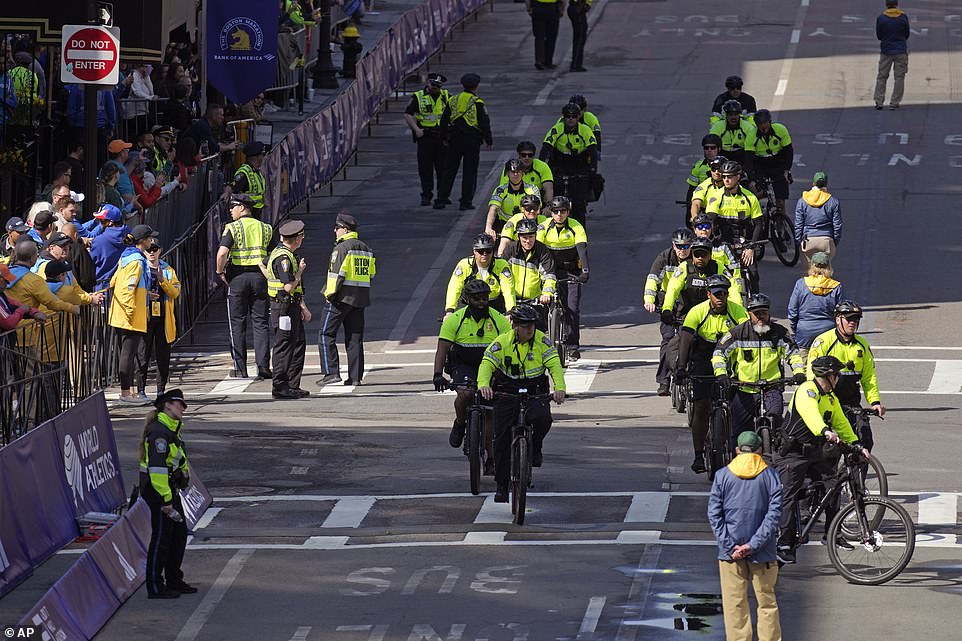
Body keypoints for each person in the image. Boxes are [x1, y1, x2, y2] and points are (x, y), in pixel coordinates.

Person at [774, 355, 868, 564]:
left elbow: (842, 423)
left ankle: (831, 534)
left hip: (814, 453)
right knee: (788, 495)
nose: (839, 379)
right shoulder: (807, 390)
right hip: (793, 453)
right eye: (837, 375)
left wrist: (857, 445)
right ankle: (784, 543)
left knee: (833, 485)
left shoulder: (830, 398)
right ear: (829, 376)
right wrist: (824, 430)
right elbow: (810, 415)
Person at [478, 303, 566, 501]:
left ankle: (535, 447)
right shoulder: (501, 342)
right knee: (500, 438)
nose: (530, 329)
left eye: (532, 325)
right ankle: (501, 485)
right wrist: (484, 385)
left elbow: (554, 364)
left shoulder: (542, 341)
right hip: (507, 391)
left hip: (535, 389)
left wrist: (560, 388)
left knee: (543, 419)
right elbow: (487, 364)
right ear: (515, 326)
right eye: (525, 325)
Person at [708, 430, 782, 641]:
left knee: (735, 605)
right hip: (764, 553)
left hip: (730, 554)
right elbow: (773, 516)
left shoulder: (723, 475)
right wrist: (753, 545)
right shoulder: (770, 476)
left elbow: (714, 514)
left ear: (737, 450)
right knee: (767, 603)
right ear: (759, 450)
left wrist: (730, 545)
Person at [674, 274, 749, 473]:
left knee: (738, 406)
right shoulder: (696, 312)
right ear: (708, 295)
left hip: (729, 358)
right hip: (703, 357)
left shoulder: (739, 312)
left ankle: (736, 450)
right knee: (701, 406)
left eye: (724, 293)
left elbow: (748, 339)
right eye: (716, 294)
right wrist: (681, 368)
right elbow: (685, 341)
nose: (720, 297)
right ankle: (699, 454)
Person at [434, 279, 511, 462]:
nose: (482, 302)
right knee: (466, 394)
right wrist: (437, 375)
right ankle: (460, 423)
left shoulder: (498, 319)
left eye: (485, 298)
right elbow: (442, 349)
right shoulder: (455, 320)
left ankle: (491, 458)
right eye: (477, 299)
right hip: (464, 365)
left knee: (490, 408)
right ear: (468, 299)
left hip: (491, 365)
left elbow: (511, 346)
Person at [713, 293, 805, 440]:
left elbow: (794, 354)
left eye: (764, 313)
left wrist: (799, 371)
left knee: (776, 427)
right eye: (756, 314)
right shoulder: (737, 333)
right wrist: (721, 374)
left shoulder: (780, 333)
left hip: (771, 388)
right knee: (740, 433)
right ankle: (739, 460)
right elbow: (719, 354)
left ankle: (773, 458)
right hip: (744, 388)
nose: (760, 317)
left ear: (769, 313)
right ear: (750, 314)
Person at [139, 389, 197, 599]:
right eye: (179, 404)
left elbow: (176, 461)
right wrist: (166, 501)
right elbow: (157, 471)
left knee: (179, 535)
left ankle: (174, 579)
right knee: (162, 538)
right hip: (159, 493)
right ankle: (155, 586)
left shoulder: (171, 428)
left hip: (169, 489)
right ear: (167, 405)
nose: (183, 408)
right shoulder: (159, 434)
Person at [806, 300, 886, 451]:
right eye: (849, 318)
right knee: (825, 447)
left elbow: (869, 376)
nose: (853, 323)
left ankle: (854, 474)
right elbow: (812, 374)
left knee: (864, 441)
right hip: (827, 401)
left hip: (851, 402)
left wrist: (875, 402)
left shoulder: (862, 345)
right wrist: (815, 399)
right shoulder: (823, 342)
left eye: (856, 319)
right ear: (837, 320)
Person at [215, 194, 274, 380]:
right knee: (261, 323)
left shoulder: (233, 228)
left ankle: (240, 368)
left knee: (237, 324)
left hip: (238, 278)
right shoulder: (266, 228)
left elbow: (222, 253)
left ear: (241, 207)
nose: (230, 211)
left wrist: (220, 272)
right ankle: (263, 367)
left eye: (232, 207)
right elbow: (273, 255)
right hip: (260, 278)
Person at [318, 214, 376, 386]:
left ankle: (331, 372)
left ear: (344, 229)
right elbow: (371, 274)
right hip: (360, 299)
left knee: (325, 333)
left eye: (337, 228)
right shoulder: (366, 249)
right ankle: (355, 377)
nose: (335, 231)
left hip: (340, 298)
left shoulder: (342, 248)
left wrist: (329, 295)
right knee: (354, 338)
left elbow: (336, 275)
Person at [109, 225, 163, 405]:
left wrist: (145, 295)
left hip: (121, 312)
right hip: (129, 315)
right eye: (150, 239)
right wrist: (132, 310)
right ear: (143, 241)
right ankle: (125, 394)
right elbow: (128, 288)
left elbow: (114, 281)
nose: (152, 242)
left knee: (126, 353)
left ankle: (128, 393)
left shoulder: (126, 257)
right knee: (128, 354)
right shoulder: (137, 262)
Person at [644, 228, 693, 395]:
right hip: (668, 304)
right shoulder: (664, 258)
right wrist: (649, 300)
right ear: (673, 245)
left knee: (689, 339)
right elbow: (652, 279)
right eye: (679, 246)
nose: (683, 250)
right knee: (667, 339)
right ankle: (663, 380)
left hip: (688, 304)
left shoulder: (696, 258)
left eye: (686, 246)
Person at [540, 196, 589, 360]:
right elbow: (537, 251)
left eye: (562, 211)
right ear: (551, 213)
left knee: (572, 308)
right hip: (551, 271)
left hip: (572, 272)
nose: (559, 214)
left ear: (568, 212)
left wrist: (585, 271)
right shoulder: (544, 227)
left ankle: (572, 346)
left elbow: (582, 250)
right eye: (555, 211)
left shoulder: (576, 227)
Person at [267, 220, 312, 399]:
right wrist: (300, 271)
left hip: (291, 305)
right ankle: (280, 387)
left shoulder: (284, 253)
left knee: (298, 343)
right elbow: (288, 286)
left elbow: (263, 264)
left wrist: (302, 306)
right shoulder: (283, 258)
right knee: (284, 347)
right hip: (283, 307)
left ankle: (292, 385)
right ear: (297, 239)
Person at [435, 73, 493, 211]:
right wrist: (488, 139)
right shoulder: (477, 102)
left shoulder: (453, 100)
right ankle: (465, 202)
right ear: (476, 86)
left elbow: (444, 121)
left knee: (449, 170)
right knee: (470, 171)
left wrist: (443, 138)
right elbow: (484, 122)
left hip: (454, 139)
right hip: (472, 140)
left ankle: (441, 200)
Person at [706, 161, 763, 291]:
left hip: (745, 242)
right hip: (724, 241)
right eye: (724, 176)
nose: (726, 179)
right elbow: (709, 221)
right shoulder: (716, 197)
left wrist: (751, 247)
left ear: (738, 177)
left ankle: (753, 305)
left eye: (730, 176)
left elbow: (759, 224)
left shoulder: (750, 198)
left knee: (753, 274)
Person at [540, 102, 598, 224]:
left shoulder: (585, 130)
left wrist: (593, 169)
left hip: (579, 166)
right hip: (561, 165)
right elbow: (546, 147)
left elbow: (593, 150)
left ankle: (580, 230)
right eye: (568, 116)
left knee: (579, 204)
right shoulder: (557, 129)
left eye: (574, 116)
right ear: (563, 117)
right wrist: (541, 166)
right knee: (557, 199)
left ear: (578, 117)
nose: (571, 119)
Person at [137, 240, 180, 400]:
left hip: (163, 317)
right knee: (143, 354)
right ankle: (140, 389)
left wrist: (162, 280)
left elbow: (175, 292)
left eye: (155, 249)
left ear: (160, 250)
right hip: (145, 317)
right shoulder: (140, 267)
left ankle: (161, 390)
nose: (152, 252)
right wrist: (146, 295)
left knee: (163, 355)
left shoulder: (168, 269)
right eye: (149, 249)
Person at [661, 237, 743, 321]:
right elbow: (673, 289)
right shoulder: (684, 267)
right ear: (692, 255)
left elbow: (733, 289)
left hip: (712, 316)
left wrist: (738, 311)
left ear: (710, 255)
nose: (700, 258)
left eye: (704, 254)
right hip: (687, 316)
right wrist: (667, 309)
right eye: (697, 254)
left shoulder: (718, 267)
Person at [403, 73, 450, 206]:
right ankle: (426, 195)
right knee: (425, 168)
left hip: (442, 137)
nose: (435, 87)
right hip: (426, 137)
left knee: (443, 168)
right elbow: (407, 114)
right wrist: (416, 130)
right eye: (433, 84)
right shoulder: (419, 97)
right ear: (428, 83)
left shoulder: (446, 96)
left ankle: (442, 195)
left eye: (438, 86)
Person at [445, 233, 516, 316]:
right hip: (469, 304)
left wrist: (510, 312)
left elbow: (508, 289)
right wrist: (450, 310)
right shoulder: (464, 264)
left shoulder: (501, 265)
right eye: (481, 251)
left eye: (488, 251)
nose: (484, 254)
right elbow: (454, 287)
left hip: (493, 305)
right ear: (474, 251)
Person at [787, 252, 844, 353]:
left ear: (812, 266)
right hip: (828, 333)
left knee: (803, 367)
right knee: (826, 366)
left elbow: (792, 310)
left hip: (805, 333)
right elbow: (840, 313)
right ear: (828, 266)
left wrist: (797, 329)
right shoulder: (836, 287)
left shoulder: (801, 284)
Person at [500, 218, 556, 318]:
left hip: (534, 302)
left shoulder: (542, 251)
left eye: (531, 237)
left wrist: (547, 293)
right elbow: (501, 273)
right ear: (518, 237)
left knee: (538, 331)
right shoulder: (510, 249)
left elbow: (549, 275)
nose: (528, 241)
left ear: (536, 236)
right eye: (524, 238)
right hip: (512, 300)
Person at [745, 110, 793, 217]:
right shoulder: (751, 136)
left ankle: (781, 230)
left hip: (778, 164)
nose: (763, 126)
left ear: (770, 122)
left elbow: (789, 152)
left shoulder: (780, 130)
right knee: (757, 193)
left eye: (765, 123)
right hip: (761, 165)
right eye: (760, 124)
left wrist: (786, 170)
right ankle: (756, 218)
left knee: (780, 203)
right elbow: (748, 160)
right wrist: (752, 180)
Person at [794, 171, 842, 262]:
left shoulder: (802, 201)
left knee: (810, 272)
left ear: (813, 183)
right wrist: (834, 242)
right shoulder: (833, 201)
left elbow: (798, 224)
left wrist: (798, 242)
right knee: (825, 270)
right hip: (827, 240)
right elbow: (837, 226)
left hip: (808, 240)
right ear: (826, 184)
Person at [485, 159, 540, 239]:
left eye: (518, 172)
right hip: (504, 226)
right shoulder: (500, 190)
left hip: (527, 226)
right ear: (507, 174)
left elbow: (537, 209)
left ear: (523, 174)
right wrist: (488, 228)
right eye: (512, 172)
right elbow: (493, 209)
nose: (516, 175)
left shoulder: (533, 189)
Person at [874, 0, 910, 110]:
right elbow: (906, 34)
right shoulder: (903, 17)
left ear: (886, 5)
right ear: (896, 4)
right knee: (899, 77)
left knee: (882, 76)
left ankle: (879, 101)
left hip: (886, 51)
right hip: (900, 50)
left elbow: (879, 35)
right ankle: (894, 102)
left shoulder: (881, 18)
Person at [90, 204, 132, 290]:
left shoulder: (99, 241)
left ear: (110, 222)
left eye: (102, 220)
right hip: (124, 288)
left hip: (103, 289)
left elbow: (90, 263)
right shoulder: (130, 235)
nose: (100, 223)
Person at [224, 142, 267, 219]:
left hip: (256, 212)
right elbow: (232, 186)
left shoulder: (256, 171)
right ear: (257, 157)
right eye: (263, 155)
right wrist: (227, 193)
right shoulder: (244, 172)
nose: (265, 158)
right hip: (246, 213)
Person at [708, 101, 757, 167]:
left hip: (741, 155)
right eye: (730, 114)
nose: (733, 117)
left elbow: (753, 144)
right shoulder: (718, 126)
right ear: (726, 115)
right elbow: (712, 142)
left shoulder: (747, 126)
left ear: (739, 114)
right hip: (723, 154)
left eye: (736, 114)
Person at [685, 135, 722, 221]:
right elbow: (691, 189)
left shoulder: (726, 165)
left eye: (713, 148)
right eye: (706, 148)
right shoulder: (698, 167)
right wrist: (689, 212)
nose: (709, 151)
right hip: (703, 206)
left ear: (719, 149)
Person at [0, 263, 44, 331]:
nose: (7, 285)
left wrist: (33, 312)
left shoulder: (2, 295)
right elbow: (9, 323)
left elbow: (15, 304)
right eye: (6, 281)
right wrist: (21, 310)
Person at [527, 0, 564, 70]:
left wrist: (529, 8)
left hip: (537, 7)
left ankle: (539, 60)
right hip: (553, 8)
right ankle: (548, 61)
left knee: (539, 36)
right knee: (551, 36)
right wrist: (562, 9)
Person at [690, 156, 728, 221]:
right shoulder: (704, 185)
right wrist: (695, 218)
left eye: (719, 169)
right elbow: (696, 203)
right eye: (713, 169)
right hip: (709, 222)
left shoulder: (731, 185)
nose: (716, 172)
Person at [567, 0, 591, 72]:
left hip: (577, 7)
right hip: (577, 7)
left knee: (580, 37)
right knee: (579, 38)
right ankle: (575, 65)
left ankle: (577, 64)